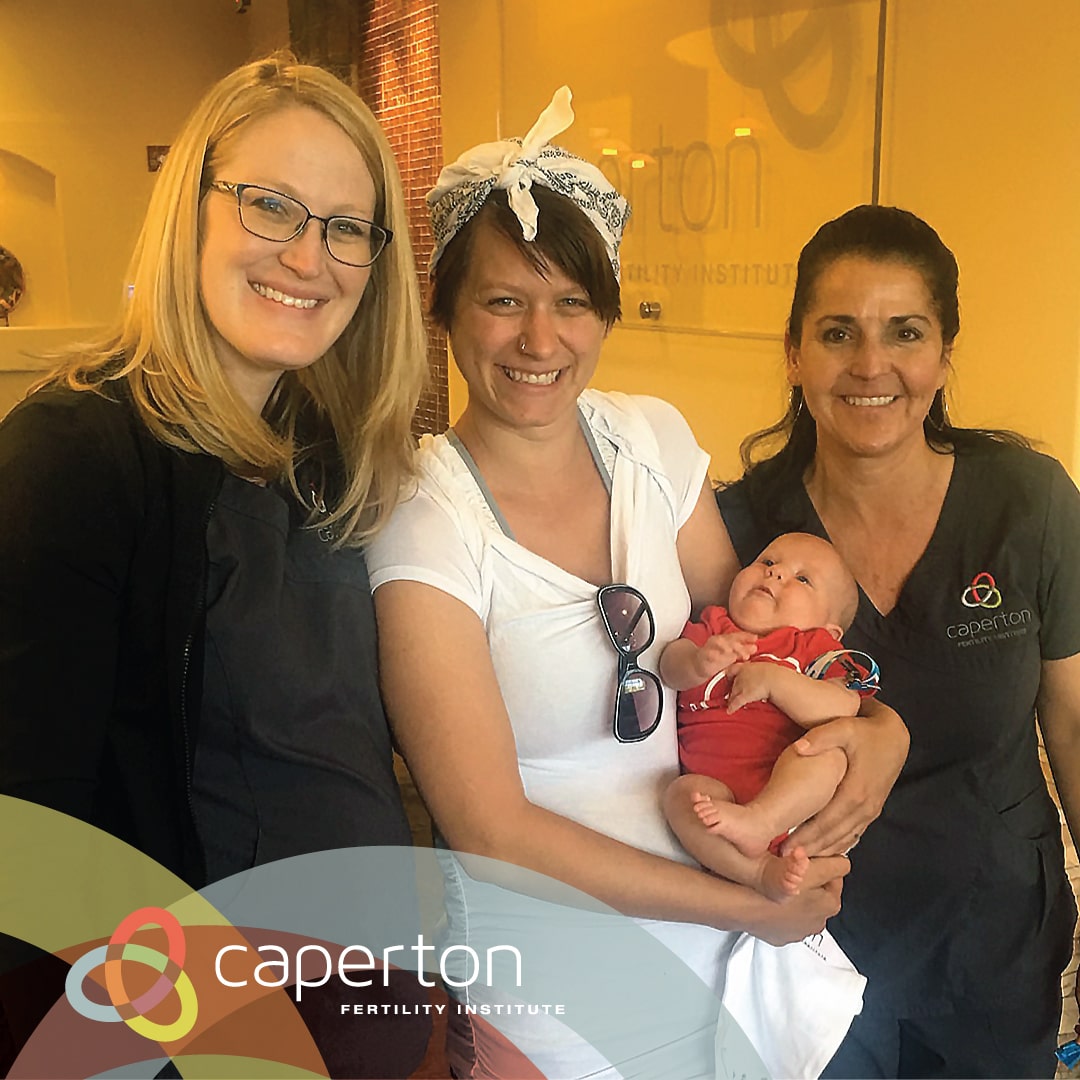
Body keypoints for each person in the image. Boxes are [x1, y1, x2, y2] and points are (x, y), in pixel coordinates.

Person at [367, 87, 908, 1080]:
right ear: (444, 306)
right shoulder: (421, 515)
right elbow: (491, 830)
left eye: (572, 302)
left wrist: (879, 730)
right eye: (503, 301)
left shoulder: (649, 442)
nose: (541, 341)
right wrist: (747, 903)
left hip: (730, 973)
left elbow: (758, 636)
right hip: (560, 1001)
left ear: (606, 311)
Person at [0, 55, 430, 1076]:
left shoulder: (333, 459)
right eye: (270, 205)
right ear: (189, 210)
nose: (308, 256)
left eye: (347, 226)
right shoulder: (75, 452)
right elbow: (28, 839)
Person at [716, 203, 1080, 1078]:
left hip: (993, 950)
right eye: (838, 332)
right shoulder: (743, 531)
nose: (871, 365)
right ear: (794, 353)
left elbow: (1073, 725)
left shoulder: (1026, 503)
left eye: (905, 332)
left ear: (944, 354)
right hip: (809, 953)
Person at [662, 532, 877, 903]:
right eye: (768, 561)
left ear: (830, 630)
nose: (775, 573)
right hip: (716, 794)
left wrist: (777, 682)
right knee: (680, 797)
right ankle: (759, 872)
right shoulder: (714, 627)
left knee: (829, 754)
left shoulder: (816, 649)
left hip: (789, 796)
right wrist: (697, 662)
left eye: (803, 579)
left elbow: (844, 706)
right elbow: (668, 667)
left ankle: (763, 821)